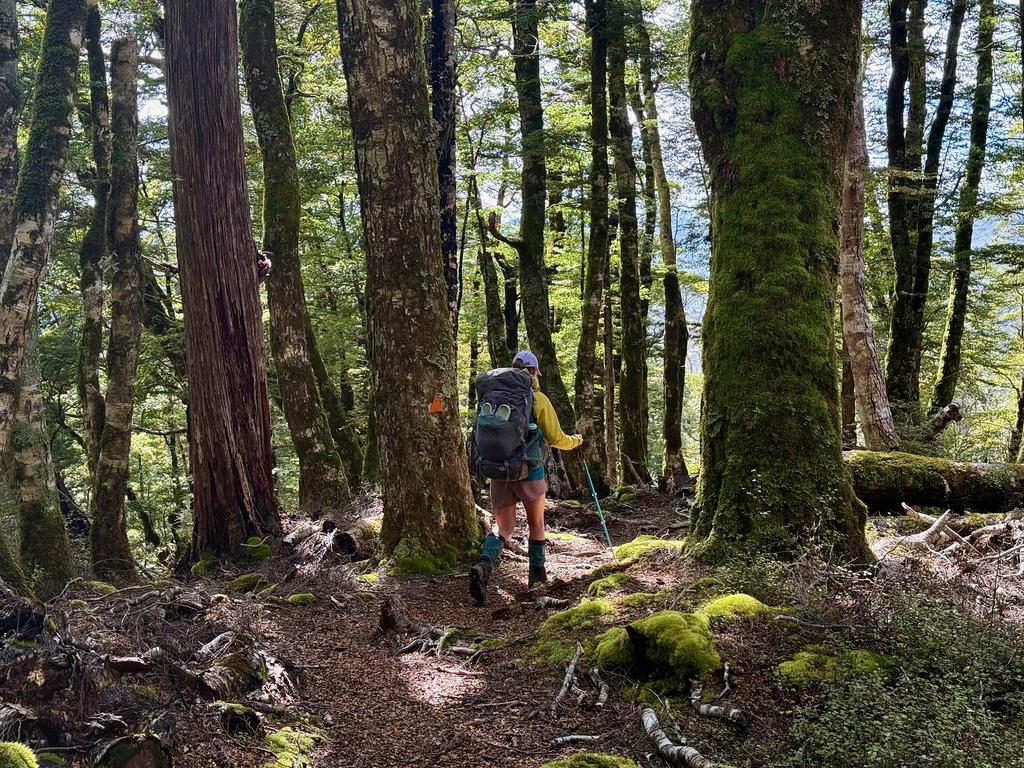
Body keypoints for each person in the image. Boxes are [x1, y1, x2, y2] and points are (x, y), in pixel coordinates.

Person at [469, 350, 583, 605]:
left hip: (498, 472)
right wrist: (576, 441)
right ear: (533, 372)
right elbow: (556, 439)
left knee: (504, 528)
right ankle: (537, 580)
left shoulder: (493, 397)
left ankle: (484, 564)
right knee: (536, 524)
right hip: (529, 472)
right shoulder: (537, 399)